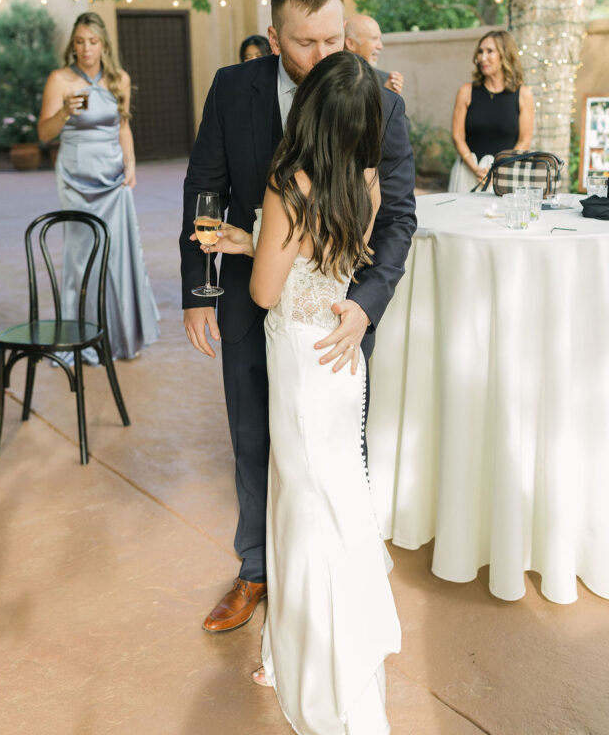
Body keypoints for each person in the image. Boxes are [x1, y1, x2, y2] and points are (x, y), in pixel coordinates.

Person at [180, 0, 416, 637]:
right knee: (253, 437)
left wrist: (365, 305)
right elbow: (204, 188)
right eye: (305, 42)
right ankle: (257, 569)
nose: (322, 56)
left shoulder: (379, 99)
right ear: (275, 35)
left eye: (333, 40)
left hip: (333, 314)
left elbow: (397, 218)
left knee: (332, 449)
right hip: (248, 300)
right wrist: (198, 290)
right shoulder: (233, 88)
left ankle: (335, 580)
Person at [205, 52, 401, 732]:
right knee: (337, 498)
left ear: (310, 110)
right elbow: (325, 263)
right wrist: (254, 239)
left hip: (297, 361)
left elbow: (266, 291)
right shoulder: (365, 181)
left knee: (301, 508)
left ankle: (312, 656)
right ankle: (297, 644)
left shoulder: (289, 185)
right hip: (339, 362)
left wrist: (260, 244)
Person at [38, 12, 159, 361]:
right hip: (76, 180)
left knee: (117, 253)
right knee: (82, 255)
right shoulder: (60, 79)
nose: (86, 48)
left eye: (92, 41)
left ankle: (121, 337)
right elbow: (44, 134)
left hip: (113, 179)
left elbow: (123, 126)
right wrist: (63, 112)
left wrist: (130, 164)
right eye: (79, 41)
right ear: (72, 45)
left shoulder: (119, 79)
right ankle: (81, 339)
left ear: (104, 44)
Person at [449, 29, 534, 191]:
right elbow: (458, 137)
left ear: (505, 55)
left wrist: (500, 170)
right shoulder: (466, 91)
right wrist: (475, 168)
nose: (482, 57)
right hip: (468, 172)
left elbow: (524, 141)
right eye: (480, 52)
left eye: (489, 51)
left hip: (506, 175)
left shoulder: (523, 94)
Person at [344, 12, 404, 94]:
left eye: (379, 39)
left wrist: (393, 97)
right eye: (374, 39)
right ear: (351, 43)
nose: (380, 46)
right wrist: (386, 96)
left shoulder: (385, 79)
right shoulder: (332, 79)